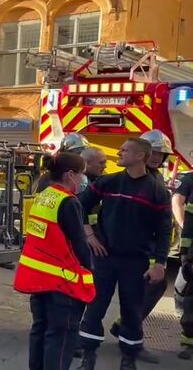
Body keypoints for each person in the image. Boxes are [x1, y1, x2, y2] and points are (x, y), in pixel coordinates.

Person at [78, 138, 172, 370]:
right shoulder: (108, 182)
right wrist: (90, 236)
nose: (119, 152)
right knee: (95, 307)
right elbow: (78, 205)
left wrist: (160, 262)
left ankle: (128, 360)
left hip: (135, 261)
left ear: (140, 156)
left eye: (125, 150)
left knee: (131, 310)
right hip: (105, 259)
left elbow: (163, 230)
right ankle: (87, 358)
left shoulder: (156, 190)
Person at [14, 152, 94, 370]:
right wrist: (91, 269)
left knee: (40, 329)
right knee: (61, 335)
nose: (82, 180)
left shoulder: (45, 194)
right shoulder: (69, 202)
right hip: (61, 281)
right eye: (81, 174)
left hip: (38, 277)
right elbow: (80, 244)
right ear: (70, 175)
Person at [107, 130, 174, 364]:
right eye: (154, 152)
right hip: (119, 249)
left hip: (142, 247)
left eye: (161, 154)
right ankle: (129, 338)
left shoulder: (155, 179)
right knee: (133, 294)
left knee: (146, 289)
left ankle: (127, 333)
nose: (157, 157)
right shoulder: (131, 178)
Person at [173, 171, 193, 359]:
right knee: (186, 293)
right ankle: (189, 341)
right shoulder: (190, 179)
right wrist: (185, 252)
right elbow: (178, 202)